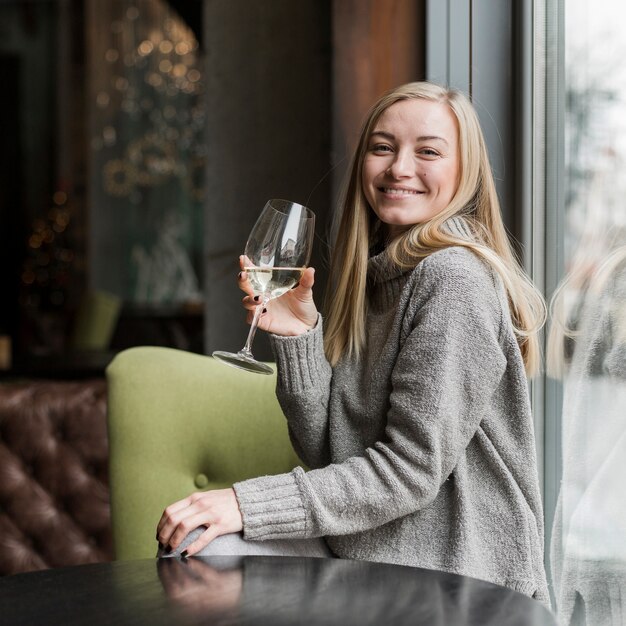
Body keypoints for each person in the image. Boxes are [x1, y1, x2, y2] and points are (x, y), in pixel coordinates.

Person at [156, 81, 550, 603]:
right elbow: (329, 451)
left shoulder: (455, 278)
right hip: (368, 552)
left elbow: (408, 471)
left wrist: (246, 503)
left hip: (459, 579)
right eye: (382, 147)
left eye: (428, 151)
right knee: (197, 547)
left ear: (466, 173)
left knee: (209, 542)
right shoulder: (379, 276)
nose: (398, 168)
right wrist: (300, 340)